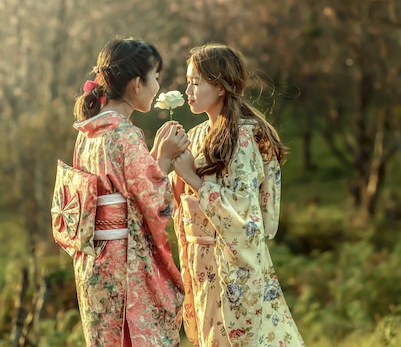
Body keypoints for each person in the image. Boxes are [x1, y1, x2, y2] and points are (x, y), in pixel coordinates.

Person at [171, 43, 306, 347]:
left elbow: (243, 214)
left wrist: (191, 177)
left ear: (219, 87)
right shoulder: (194, 135)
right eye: (187, 82)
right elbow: (175, 194)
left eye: (196, 82)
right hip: (200, 260)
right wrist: (166, 161)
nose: (187, 90)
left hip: (231, 261)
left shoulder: (244, 138)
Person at [70, 38, 187, 347]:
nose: (157, 87)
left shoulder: (87, 132)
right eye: (156, 78)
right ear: (137, 83)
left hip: (94, 258)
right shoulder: (125, 134)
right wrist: (163, 157)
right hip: (124, 259)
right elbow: (153, 199)